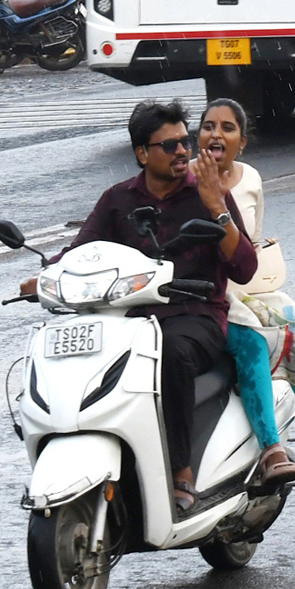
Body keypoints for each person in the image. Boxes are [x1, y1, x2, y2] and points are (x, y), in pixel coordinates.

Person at [21, 100, 257, 513]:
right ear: (142, 154)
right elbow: (82, 250)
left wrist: (217, 206)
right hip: (129, 320)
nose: (184, 151)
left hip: (194, 316)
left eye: (185, 141)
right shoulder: (118, 200)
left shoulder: (208, 189)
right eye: (170, 145)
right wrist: (45, 276)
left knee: (171, 354)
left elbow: (244, 267)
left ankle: (181, 470)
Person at [196, 99, 295, 481]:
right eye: (209, 126)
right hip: (210, 290)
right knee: (252, 343)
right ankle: (270, 446)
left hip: (248, 287)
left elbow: (253, 242)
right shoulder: (186, 181)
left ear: (241, 142)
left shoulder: (251, 179)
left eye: (228, 128)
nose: (217, 134)